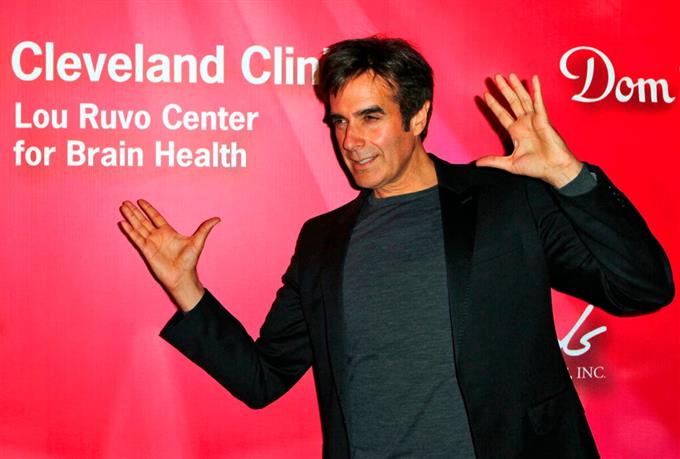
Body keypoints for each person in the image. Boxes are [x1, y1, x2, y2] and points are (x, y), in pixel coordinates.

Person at [119, 37, 674, 458]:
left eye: (371, 117)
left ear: (419, 115)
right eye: (339, 122)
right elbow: (262, 379)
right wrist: (187, 290)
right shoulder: (322, 240)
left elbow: (642, 289)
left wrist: (569, 177)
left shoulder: (505, 200)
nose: (351, 141)